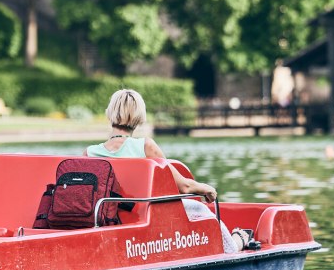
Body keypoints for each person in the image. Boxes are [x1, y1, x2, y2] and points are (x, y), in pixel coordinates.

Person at [86, 88, 256, 252]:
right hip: (145, 214)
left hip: (109, 215)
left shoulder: (90, 152)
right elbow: (185, 187)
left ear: (110, 113)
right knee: (202, 209)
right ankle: (237, 241)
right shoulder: (146, 146)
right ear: (139, 116)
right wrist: (207, 189)